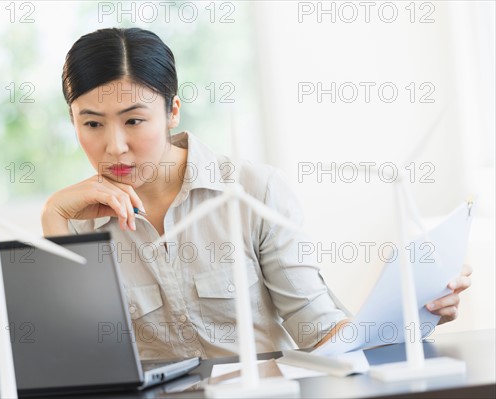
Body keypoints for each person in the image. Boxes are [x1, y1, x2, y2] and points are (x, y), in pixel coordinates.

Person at [41, 27, 472, 359]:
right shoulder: (79, 220)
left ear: (172, 110)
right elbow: (78, 361)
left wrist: (405, 319)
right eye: (92, 124)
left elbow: (317, 328)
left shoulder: (252, 191)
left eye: (134, 121)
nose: (114, 146)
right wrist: (54, 218)